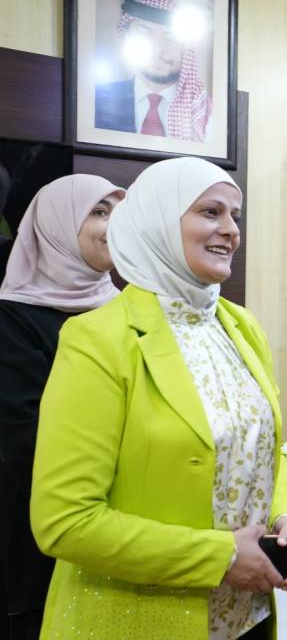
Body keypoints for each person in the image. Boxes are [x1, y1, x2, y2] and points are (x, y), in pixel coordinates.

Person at [30, 157, 287, 639]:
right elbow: (65, 520)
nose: (231, 230)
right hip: (142, 619)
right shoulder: (98, 340)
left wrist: (284, 514)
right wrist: (222, 556)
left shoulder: (242, 326)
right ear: (157, 220)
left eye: (235, 215)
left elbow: (268, 447)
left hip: (249, 616)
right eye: (210, 212)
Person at [0, 175, 124, 640]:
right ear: (56, 225)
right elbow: (24, 435)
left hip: (124, 525)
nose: (115, 224)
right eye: (99, 212)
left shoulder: (126, 309)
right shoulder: (13, 317)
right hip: (39, 523)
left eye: (119, 212)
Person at [95, 0, 211, 141]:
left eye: (171, 38)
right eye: (144, 34)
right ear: (126, 38)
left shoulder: (205, 113)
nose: (158, 49)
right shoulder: (96, 100)